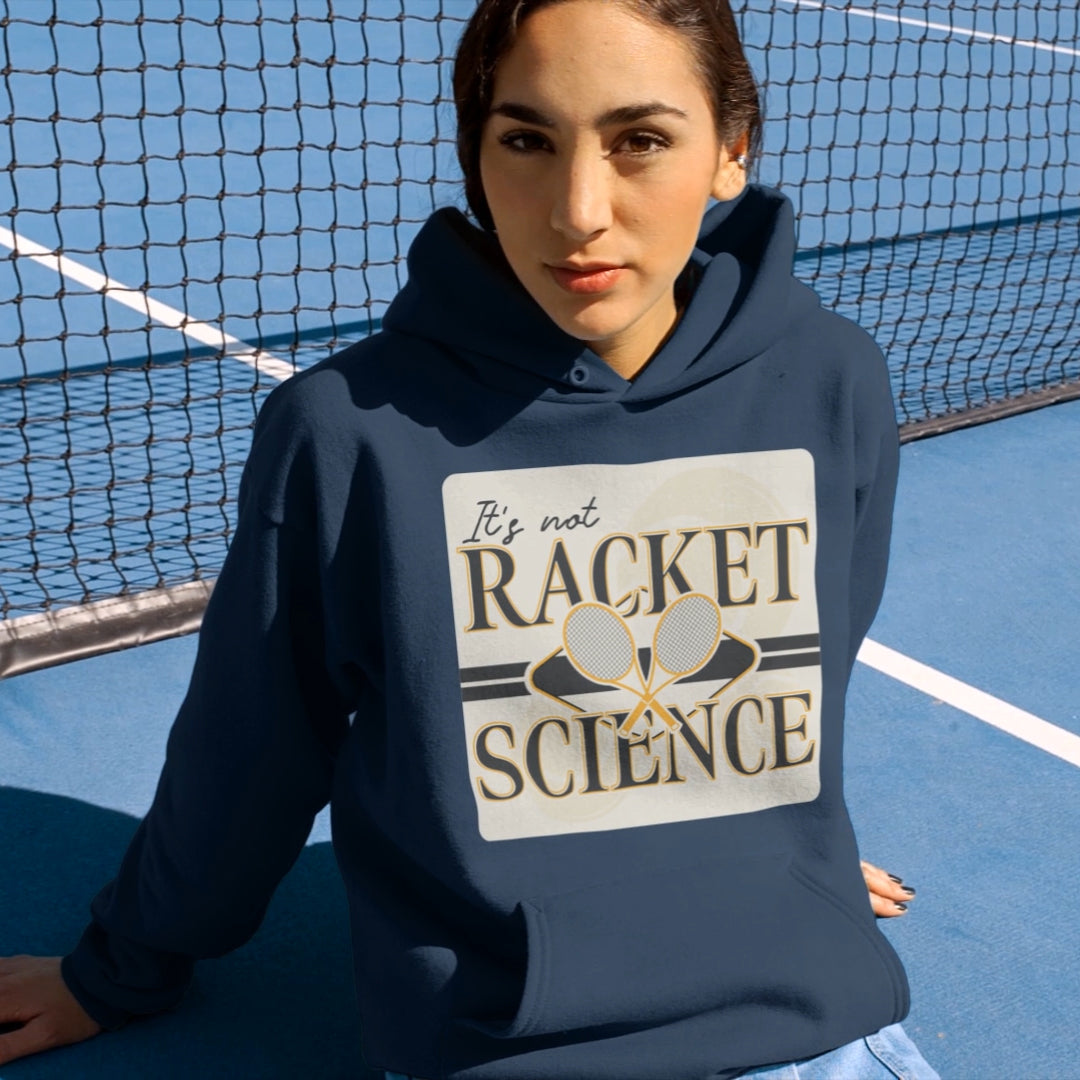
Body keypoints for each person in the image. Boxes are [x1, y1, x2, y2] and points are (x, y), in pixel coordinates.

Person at [0, 0, 938, 1076]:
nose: (578, 210)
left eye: (640, 140)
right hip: (513, 1044)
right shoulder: (351, 434)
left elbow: (804, 676)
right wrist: (114, 972)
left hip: (808, 1019)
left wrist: (786, 851)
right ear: (476, 157)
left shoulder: (832, 380)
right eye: (528, 141)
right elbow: (253, 748)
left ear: (731, 152)